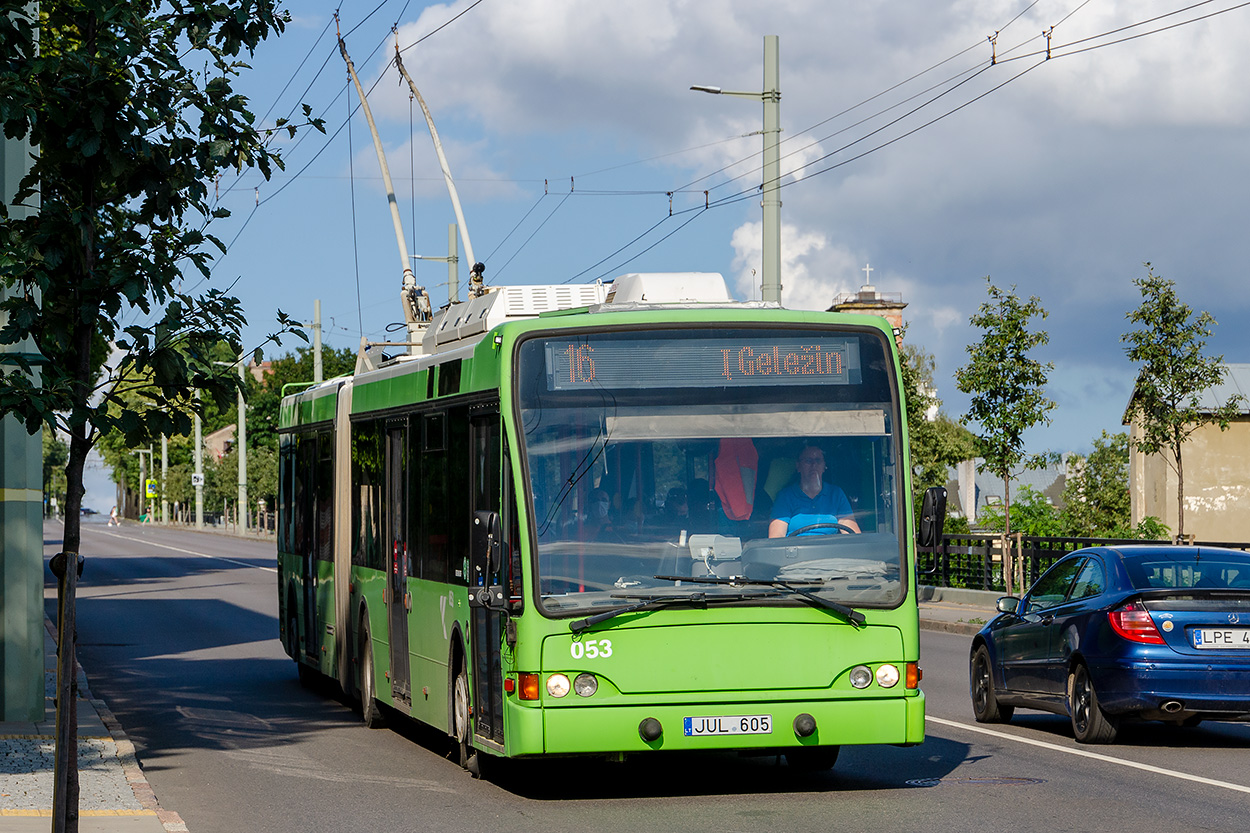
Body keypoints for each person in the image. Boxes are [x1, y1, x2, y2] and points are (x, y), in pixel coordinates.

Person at [768, 444, 861, 537]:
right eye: (808, 461)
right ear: (798, 466)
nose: (814, 465)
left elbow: (853, 535)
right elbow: (776, 537)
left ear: (824, 466)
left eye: (818, 460)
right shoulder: (785, 497)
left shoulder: (836, 494)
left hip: (831, 546)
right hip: (796, 546)